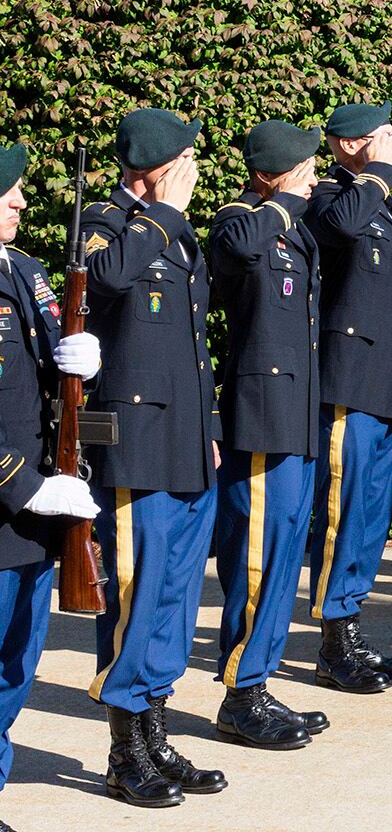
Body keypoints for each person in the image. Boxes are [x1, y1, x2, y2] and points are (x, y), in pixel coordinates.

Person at [84, 108, 226, 805]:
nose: (196, 168)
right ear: (157, 168)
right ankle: (123, 750)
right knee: (137, 594)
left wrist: (212, 424)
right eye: (186, 158)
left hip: (185, 440)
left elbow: (192, 345)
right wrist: (161, 213)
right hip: (135, 442)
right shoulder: (107, 222)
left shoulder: (172, 229)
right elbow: (107, 279)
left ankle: (156, 735)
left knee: (173, 595)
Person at [207, 121, 326, 750]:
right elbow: (235, 251)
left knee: (283, 554)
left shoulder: (293, 225)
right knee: (254, 558)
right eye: (304, 163)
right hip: (259, 412)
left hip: (295, 412)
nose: (315, 172)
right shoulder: (242, 219)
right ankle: (240, 693)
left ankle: (258, 677)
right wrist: (281, 201)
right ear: (273, 172)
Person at [0, 143, 103, 804]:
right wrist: (26, 485)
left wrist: (88, 366)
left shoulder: (28, 271)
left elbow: (61, 398)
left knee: (16, 666)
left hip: (40, 521)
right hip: (16, 502)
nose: (19, 201)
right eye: (5, 191)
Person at [303, 100, 392, 693]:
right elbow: (340, 228)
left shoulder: (376, 198)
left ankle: (350, 621)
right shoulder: (328, 197)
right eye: (380, 137)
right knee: (342, 514)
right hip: (348, 379)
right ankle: (330, 639)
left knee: (371, 513)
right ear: (349, 144)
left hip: (383, 382)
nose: (391, 144)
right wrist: (378, 172)